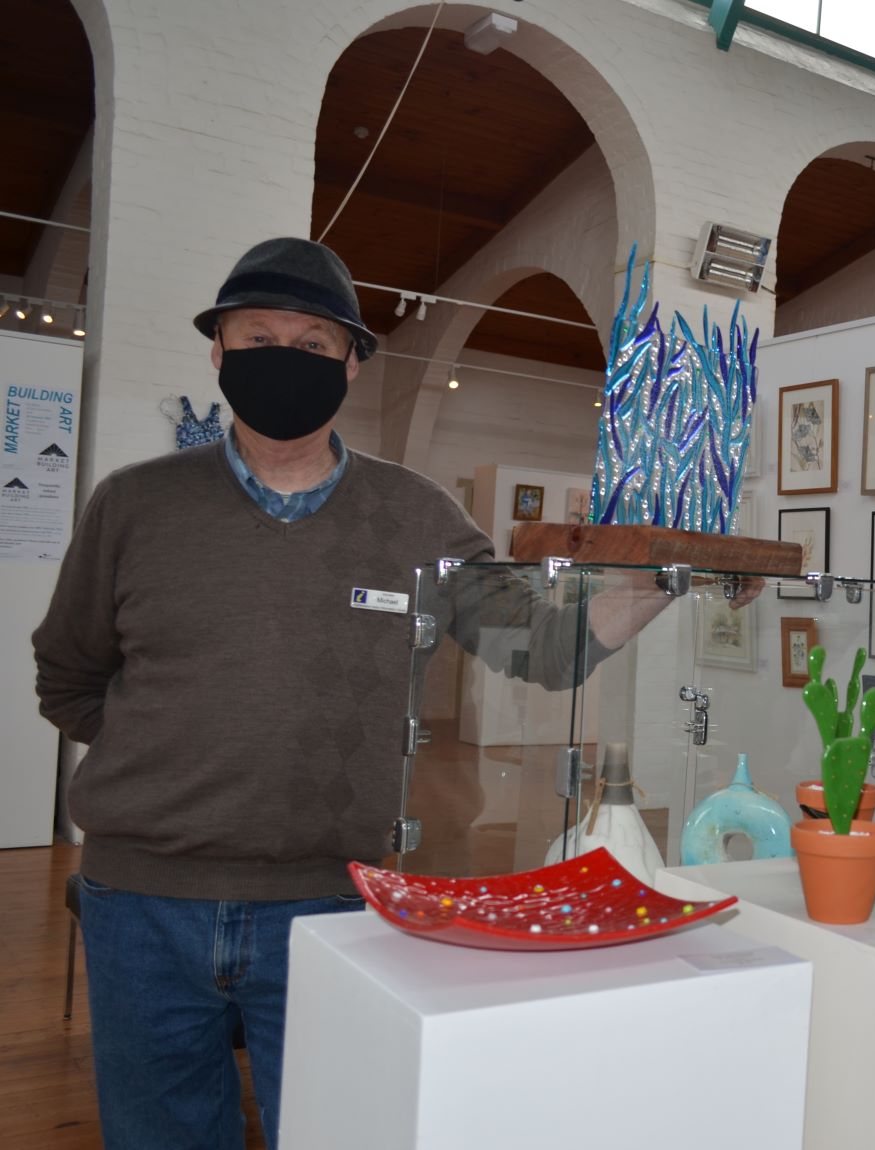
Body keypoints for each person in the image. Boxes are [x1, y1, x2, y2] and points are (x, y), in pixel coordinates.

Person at [31, 237, 672, 1149]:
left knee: (335, 1127)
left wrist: (656, 583)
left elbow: (540, 645)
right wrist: (167, 749)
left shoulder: (416, 515)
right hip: (141, 904)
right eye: (257, 337)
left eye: (313, 342)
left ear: (351, 363)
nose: (283, 358)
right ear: (217, 350)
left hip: (336, 903)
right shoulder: (133, 505)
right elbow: (68, 676)